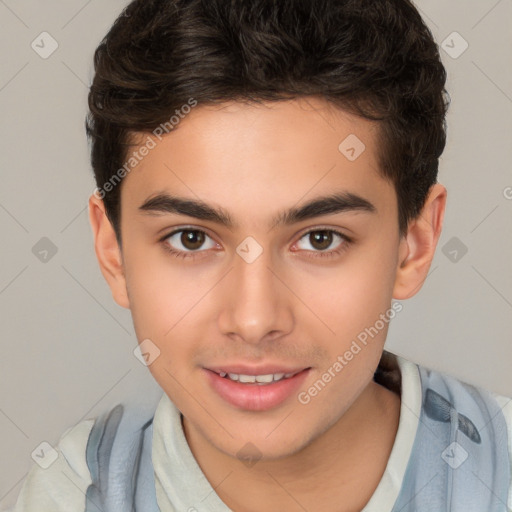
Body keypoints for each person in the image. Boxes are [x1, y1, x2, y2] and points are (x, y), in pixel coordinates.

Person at [7, 0, 511, 511]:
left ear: (415, 244)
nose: (253, 320)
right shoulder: (70, 495)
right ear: (112, 250)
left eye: (320, 239)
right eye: (190, 239)